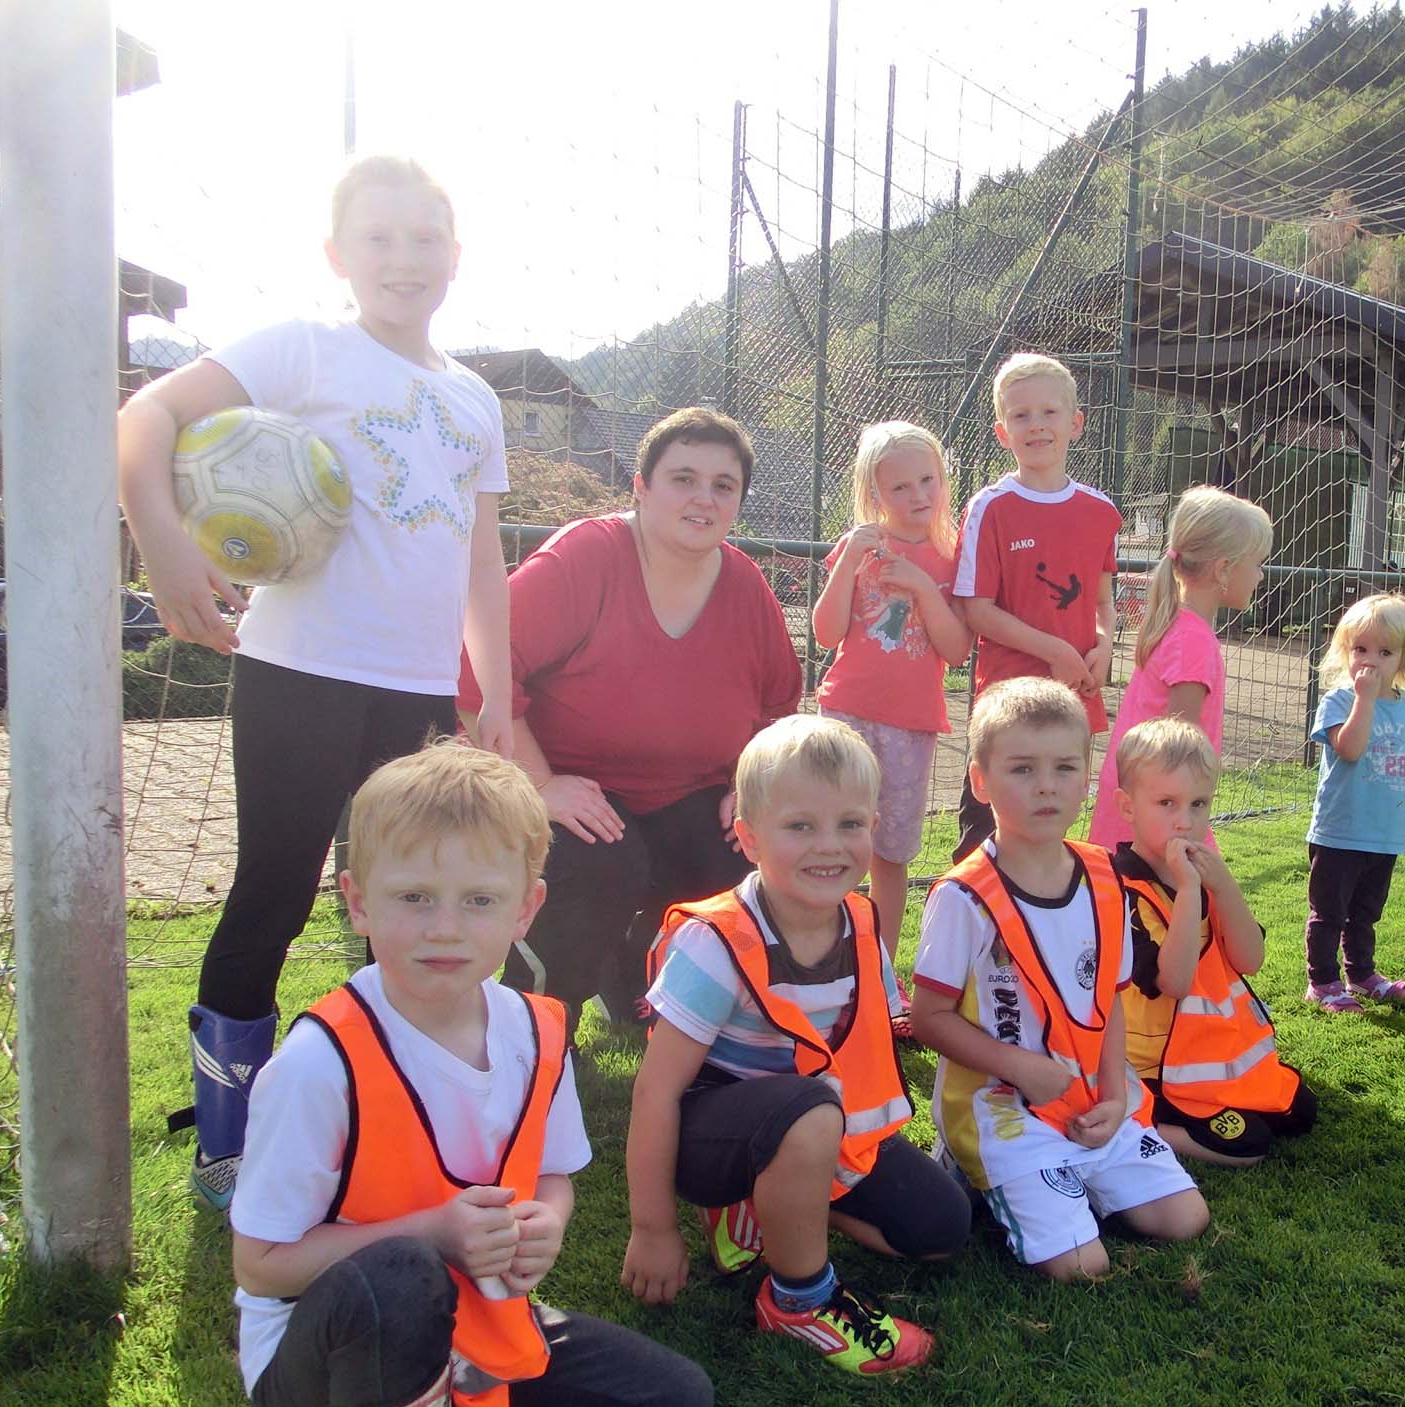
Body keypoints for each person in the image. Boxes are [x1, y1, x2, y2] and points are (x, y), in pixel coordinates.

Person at [118, 156, 513, 1211]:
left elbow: (481, 563)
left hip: (419, 697)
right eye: (378, 238)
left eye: (423, 239)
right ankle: (227, 1144)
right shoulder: (303, 348)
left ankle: (386, 1118)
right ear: (338, 255)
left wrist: (499, 698)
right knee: (277, 891)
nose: (402, 259)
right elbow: (147, 417)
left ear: (455, 256)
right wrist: (162, 542)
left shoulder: (474, 399)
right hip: (299, 674)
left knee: (414, 906)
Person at [229, 743, 711, 1407]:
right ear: (358, 900)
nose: (445, 929)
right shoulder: (320, 1064)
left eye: (480, 901)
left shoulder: (536, 1031)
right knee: (399, 1276)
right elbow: (261, 1264)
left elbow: (552, 1176)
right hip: (324, 1352)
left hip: (475, 1319)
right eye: (415, 897)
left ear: (527, 908)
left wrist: (546, 1222)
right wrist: (434, 1232)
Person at [620, 716, 969, 1374]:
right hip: (714, 1137)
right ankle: (798, 1301)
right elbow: (656, 1092)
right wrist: (652, 1227)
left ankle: (779, 1205)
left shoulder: (862, 921)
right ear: (749, 837)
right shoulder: (716, 941)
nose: (828, 846)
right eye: (800, 826)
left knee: (941, 1229)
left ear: (873, 826)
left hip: (816, 1126)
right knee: (807, 1109)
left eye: (849, 823)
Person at [458, 407, 802, 1034]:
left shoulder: (746, 587)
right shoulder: (586, 557)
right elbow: (477, 670)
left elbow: (779, 708)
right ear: (641, 487)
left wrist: (745, 787)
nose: (703, 498)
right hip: (578, 789)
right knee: (600, 861)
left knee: (746, 847)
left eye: (723, 485)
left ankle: (648, 987)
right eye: (683, 479)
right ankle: (537, 1022)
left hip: (689, 793)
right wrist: (538, 785)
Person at [912, 678, 1210, 1279]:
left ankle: (1068, 1176)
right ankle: (979, 1168)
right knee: (1081, 1264)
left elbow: (1111, 1001)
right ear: (980, 781)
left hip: (1091, 1094)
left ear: (1087, 777)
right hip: (1003, 1104)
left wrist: (1115, 1095)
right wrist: (1021, 1068)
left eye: (1064, 768)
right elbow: (927, 1019)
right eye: (1022, 769)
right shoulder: (963, 897)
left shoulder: (1104, 876)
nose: (1046, 785)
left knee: (1186, 1219)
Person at [1109, 717, 1316, 1167]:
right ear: (1128, 807)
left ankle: (1208, 1101)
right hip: (1153, 1069)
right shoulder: (1120, 891)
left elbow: (1249, 959)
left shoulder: (1203, 875)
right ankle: (1138, 1123)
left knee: (1301, 1111)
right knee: (1248, 1146)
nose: (1185, 822)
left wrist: (1223, 888)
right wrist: (1188, 892)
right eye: (1166, 803)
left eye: (1198, 804)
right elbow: (1176, 982)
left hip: (1210, 1055)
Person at [812, 422, 973, 963]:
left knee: (891, 853)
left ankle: (878, 967)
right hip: (845, 715)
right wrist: (848, 563)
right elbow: (826, 633)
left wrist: (924, 587)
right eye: (900, 487)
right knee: (827, 841)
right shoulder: (859, 547)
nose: (918, 495)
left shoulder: (953, 555)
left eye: (928, 480)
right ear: (874, 493)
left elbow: (957, 650)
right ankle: (819, 956)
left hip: (911, 726)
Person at [949, 352, 1120, 860]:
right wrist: (1053, 651)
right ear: (1003, 433)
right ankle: (973, 911)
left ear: (1076, 424)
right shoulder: (989, 507)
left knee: (1052, 837)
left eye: (1049, 412)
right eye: (1021, 415)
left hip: (1073, 702)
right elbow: (976, 609)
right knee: (986, 842)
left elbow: (1103, 601)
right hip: (1007, 707)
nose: (1037, 425)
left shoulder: (1101, 511)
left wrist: (1105, 646)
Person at [1088, 486, 1272, 852]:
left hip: (1143, 812)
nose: (1261, 575)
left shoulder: (1176, 626)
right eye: (1257, 563)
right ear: (1223, 569)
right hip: (1156, 827)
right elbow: (1178, 755)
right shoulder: (1194, 642)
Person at [1308, 594, 1405, 1015]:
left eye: (1385, 652)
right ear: (1345, 651)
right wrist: (1364, 700)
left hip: (1383, 833)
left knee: (1365, 912)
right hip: (1340, 830)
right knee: (1329, 912)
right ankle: (1323, 982)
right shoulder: (1339, 701)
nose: (1370, 661)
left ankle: (1361, 974)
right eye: (1361, 649)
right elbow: (1349, 749)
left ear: (1404, 658)